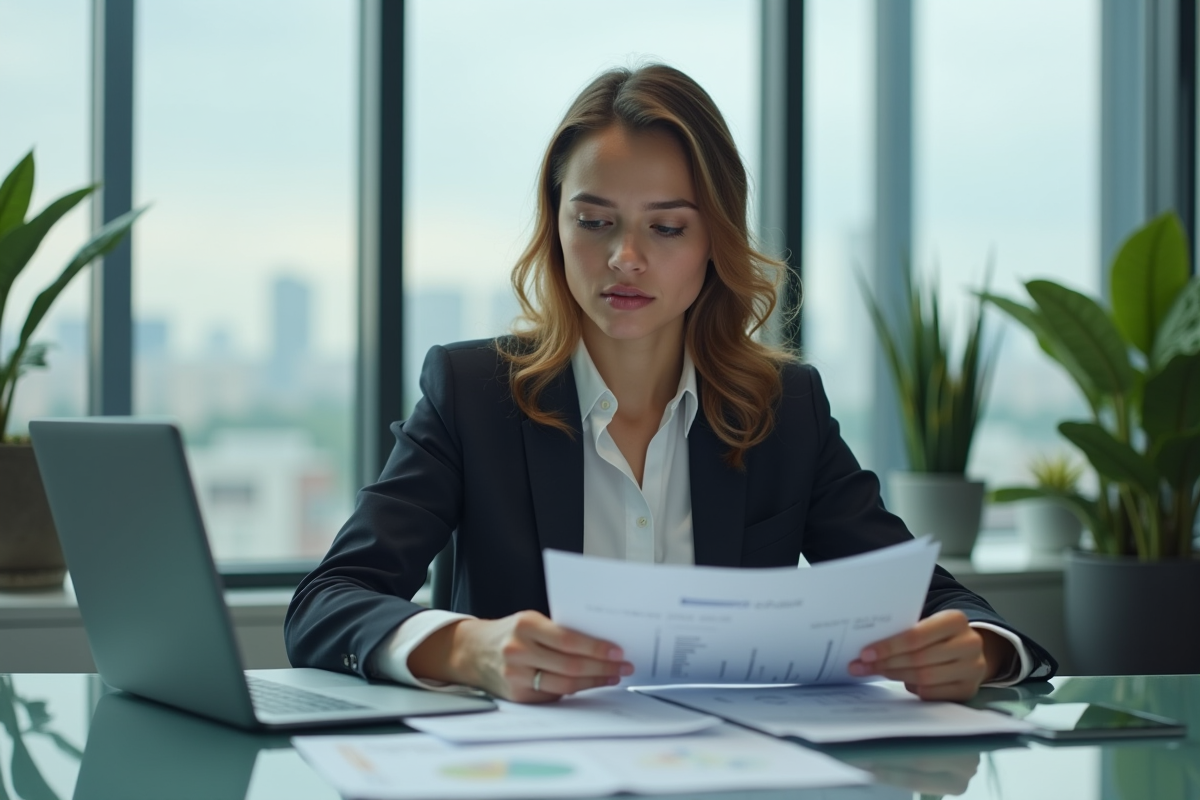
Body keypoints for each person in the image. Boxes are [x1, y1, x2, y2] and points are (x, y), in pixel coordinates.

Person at [285, 64, 1056, 704]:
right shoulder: (472, 393)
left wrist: (979, 651)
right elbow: (326, 602)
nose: (625, 257)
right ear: (555, 226)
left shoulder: (784, 411)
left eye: (666, 227)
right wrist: (469, 649)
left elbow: (941, 604)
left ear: (715, 239)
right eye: (595, 221)